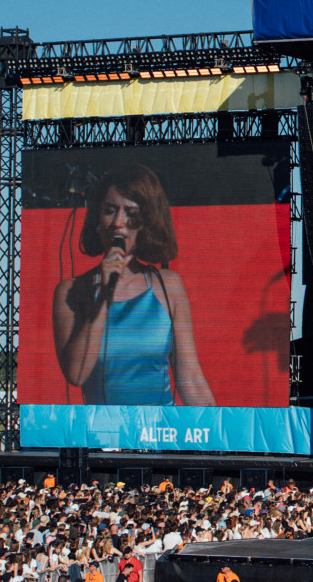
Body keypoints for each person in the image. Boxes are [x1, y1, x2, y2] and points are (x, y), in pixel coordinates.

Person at [51, 163, 215, 407]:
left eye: (130, 213)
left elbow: (190, 379)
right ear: (97, 218)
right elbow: (77, 374)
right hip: (102, 437)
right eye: (110, 210)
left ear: (146, 223)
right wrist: (104, 295)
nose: (118, 222)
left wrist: (222, 437)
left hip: (160, 435)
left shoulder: (168, 286)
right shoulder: (71, 291)